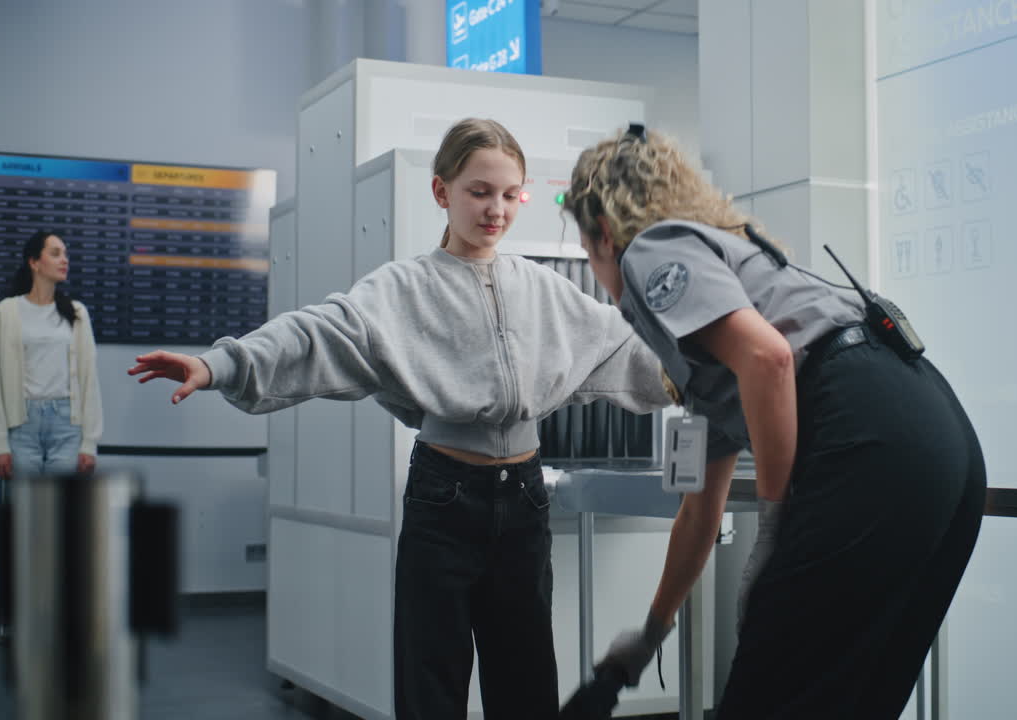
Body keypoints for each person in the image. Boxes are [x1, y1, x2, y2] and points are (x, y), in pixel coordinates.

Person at [127, 118, 668, 719]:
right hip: (445, 499)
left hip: (524, 502)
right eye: (479, 192)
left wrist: (710, 369)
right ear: (442, 192)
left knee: (526, 682)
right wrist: (221, 364)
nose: (496, 209)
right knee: (430, 683)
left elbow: (622, 345)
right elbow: (318, 334)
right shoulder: (404, 288)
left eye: (509, 194)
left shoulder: (542, 289)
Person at [561, 124, 986, 718]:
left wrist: (775, 524)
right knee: (854, 697)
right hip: (932, 431)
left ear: (603, 233)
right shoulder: (723, 295)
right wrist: (650, 634)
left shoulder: (649, 250)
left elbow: (770, 358)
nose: (603, 279)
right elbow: (699, 514)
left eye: (588, 254)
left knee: (765, 697)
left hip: (868, 423)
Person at [0, 230, 102, 480]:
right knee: (26, 512)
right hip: (22, 424)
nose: (64, 260)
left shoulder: (77, 312)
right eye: (56, 254)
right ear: (34, 262)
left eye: (66, 254)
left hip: (67, 425)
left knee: (60, 511)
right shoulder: (7, 311)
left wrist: (89, 442)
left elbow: (89, 380)